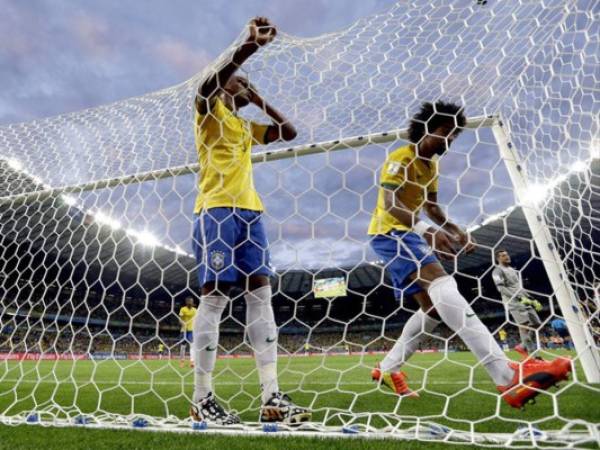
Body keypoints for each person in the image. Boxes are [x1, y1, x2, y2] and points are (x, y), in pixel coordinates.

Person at [367, 101, 571, 408]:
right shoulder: (401, 157)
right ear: (426, 129)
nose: (449, 140)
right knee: (443, 284)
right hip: (391, 232)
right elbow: (391, 203)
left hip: (407, 233)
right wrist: (431, 233)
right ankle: (505, 376)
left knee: (434, 310)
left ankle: (387, 369)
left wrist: (454, 229)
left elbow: (431, 207)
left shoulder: (430, 167)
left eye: (454, 135)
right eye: (445, 132)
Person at [189, 17, 310, 425]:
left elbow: (288, 131)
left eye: (245, 82)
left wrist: (258, 99)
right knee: (216, 295)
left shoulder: (244, 126)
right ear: (225, 85)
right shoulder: (207, 112)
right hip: (217, 208)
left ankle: (272, 397)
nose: (243, 84)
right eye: (238, 81)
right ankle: (202, 398)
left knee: (261, 294)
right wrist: (249, 47)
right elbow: (208, 85)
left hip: (251, 211)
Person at [492, 250, 543, 359]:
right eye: (503, 256)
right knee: (524, 326)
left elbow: (519, 287)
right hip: (513, 302)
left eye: (507, 254)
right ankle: (533, 355)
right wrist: (518, 297)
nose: (507, 257)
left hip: (524, 300)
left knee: (537, 323)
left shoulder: (512, 270)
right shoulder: (497, 271)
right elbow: (501, 288)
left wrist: (531, 298)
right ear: (498, 259)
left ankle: (523, 345)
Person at [179, 297, 197, 368]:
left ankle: (192, 362)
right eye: (189, 301)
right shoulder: (183, 309)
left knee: (192, 346)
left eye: (191, 301)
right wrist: (182, 323)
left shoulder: (195, 310)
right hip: (184, 330)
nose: (190, 302)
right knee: (183, 346)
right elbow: (179, 319)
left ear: (193, 302)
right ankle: (182, 361)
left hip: (191, 330)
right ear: (186, 302)